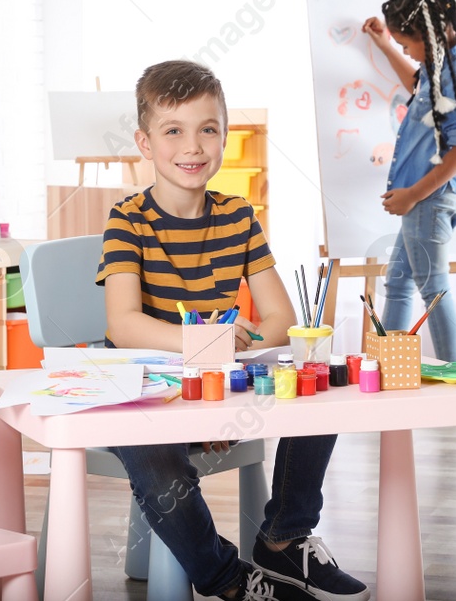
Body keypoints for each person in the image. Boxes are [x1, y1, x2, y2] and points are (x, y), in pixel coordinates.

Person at [98, 60, 369, 601]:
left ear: (224, 135)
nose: (192, 145)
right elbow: (123, 325)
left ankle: (284, 538)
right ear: (144, 143)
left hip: (224, 383)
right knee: (156, 460)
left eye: (208, 129)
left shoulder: (239, 216)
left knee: (315, 382)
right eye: (173, 130)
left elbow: (281, 322)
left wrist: (225, 368)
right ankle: (228, 576)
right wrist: (209, 345)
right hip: (147, 391)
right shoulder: (127, 218)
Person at [362, 0, 456, 363]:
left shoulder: (454, 77)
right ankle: (390, 365)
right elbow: (416, 82)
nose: (410, 51)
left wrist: (412, 195)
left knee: (433, 288)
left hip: (430, 198)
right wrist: (387, 46)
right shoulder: (440, 69)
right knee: (399, 281)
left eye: (408, 43)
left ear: (428, 32)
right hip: (424, 200)